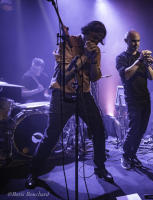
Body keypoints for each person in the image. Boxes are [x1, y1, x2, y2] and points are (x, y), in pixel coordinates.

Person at [25, 20, 113, 189]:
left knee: (99, 130)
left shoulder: (96, 50)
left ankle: (100, 168)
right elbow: (65, 75)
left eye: (98, 40)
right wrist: (85, 56)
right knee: (51, 135)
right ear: (86, 32)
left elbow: (94, 77)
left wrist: (93, 60)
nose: (95, 43)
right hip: (61, 94)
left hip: (84, 94)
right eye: (94, 38)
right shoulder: (67, 42)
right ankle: (33, 172)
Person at [116, 30, 153, 169]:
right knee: (134, 129)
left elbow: (151, 77)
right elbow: (126, 75)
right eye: (133, 41)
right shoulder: (121, 58)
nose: (136, 44)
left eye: (138, 41)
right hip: (132, 98)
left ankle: (133, 154)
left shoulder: (141, 58)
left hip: (145, 97)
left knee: (142, 129)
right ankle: (126, 155)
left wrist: (147, 64)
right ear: (126, 41)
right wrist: (139, 61)